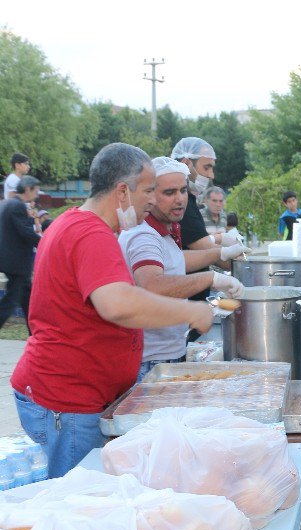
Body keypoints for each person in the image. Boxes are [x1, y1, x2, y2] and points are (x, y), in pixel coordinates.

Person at [10, 143, 214, 478]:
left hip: (73, 395)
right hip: (68, 401)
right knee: (78, 499)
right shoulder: (90, 233)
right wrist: (190, 311)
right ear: (122, 191)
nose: (152, 200)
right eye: (148, 190)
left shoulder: (76, 223)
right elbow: (118, 303)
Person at [119, 157, 245, 380]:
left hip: (166, 352)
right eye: (169, 193)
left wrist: (220, 253)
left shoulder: (161, 231)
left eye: (183, 190)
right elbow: (153, 284)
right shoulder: (144, 235)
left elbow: (175, 262)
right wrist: (211, 278)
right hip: (151, 360)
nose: (179, 200)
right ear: (149, 194)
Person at [171, 137, 242, 304]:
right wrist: (250, 266)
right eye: (206, 167)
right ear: (187, 164)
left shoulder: (190, 200)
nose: (211, 175)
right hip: (184, 305)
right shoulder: (184, 204)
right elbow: (206, 250)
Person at [0, 176, 42, 332]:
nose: (36, 195)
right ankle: (36, 333)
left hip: (12, 261)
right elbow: (26, 233)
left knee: (28, 301)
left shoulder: (7, 203)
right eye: (35, 190)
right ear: (27, 189)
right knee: (10, 302)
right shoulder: (17, 206)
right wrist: (45, 243)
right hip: (16, 263)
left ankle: (35, 333)